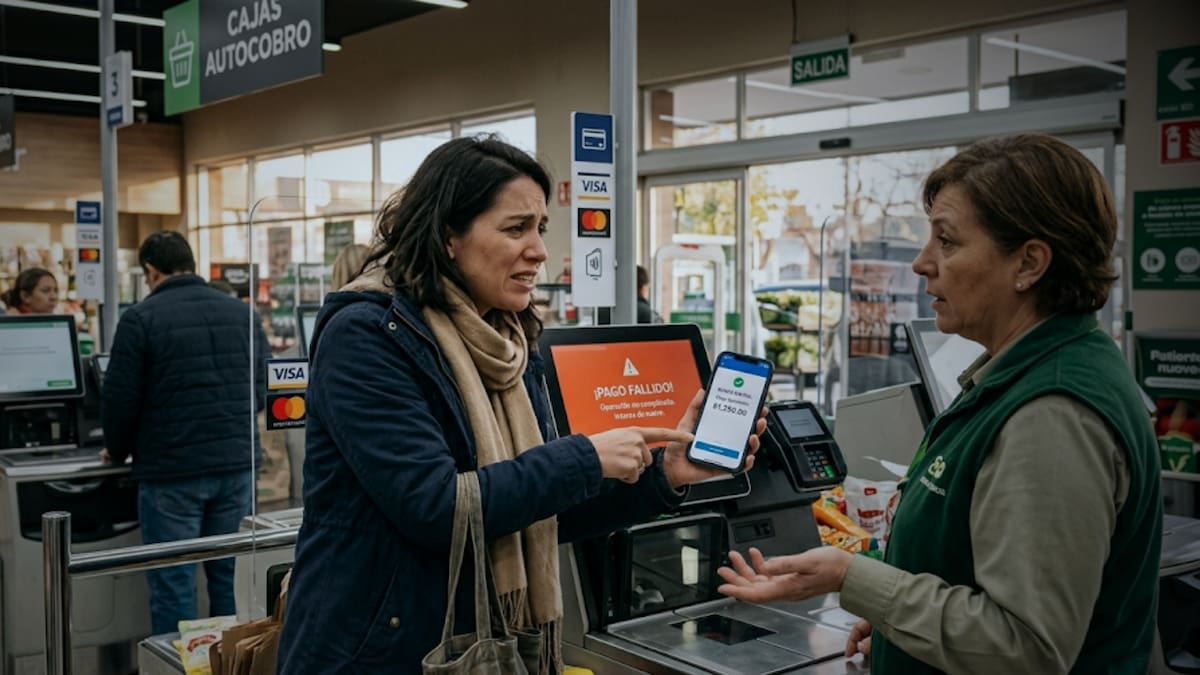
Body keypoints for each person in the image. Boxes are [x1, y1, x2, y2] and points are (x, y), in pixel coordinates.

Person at [277, 135, 765, 674]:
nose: (537, 250)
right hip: (377, 649)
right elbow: (433, 506)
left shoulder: (509, 341)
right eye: (515, 229)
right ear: (448, 238)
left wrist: (662, 476)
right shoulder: (368, 335)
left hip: (483, 643)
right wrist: (585, 457)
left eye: (539, 229)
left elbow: (539, 509)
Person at [717, 134, 1162, 675]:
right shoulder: (1029, 374)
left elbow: (1024, 648)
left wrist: (851, 578)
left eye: (947, 242)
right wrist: (903, 630)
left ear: (1030, 263)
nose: (923, 263)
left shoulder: (1052, 414)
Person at [101, 231, 269, 636]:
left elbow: (120, 401)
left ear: (151, 272)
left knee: (174, 584)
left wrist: (117, 450)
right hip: (235, 467)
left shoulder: (140, 318)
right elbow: (263, 391)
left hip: (171, 474)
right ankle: (229, 663)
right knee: (229, 578)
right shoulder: (242, 314)